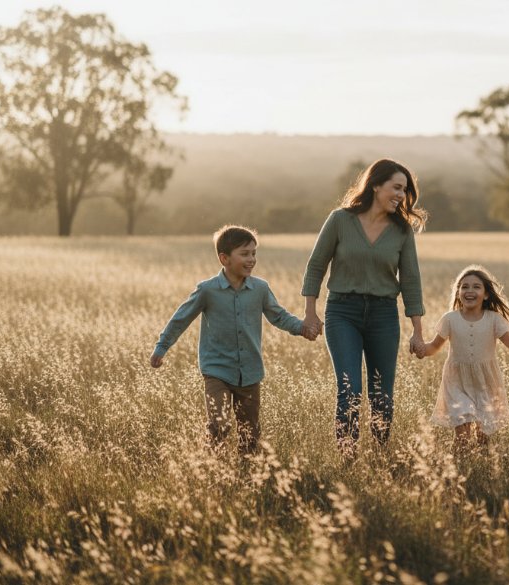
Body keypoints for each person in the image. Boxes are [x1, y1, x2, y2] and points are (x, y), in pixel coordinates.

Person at [150, 225, 316, 456]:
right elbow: (181, 318)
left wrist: (302, 328)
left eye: (254, 253)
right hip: (217, 370)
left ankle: (247, 474)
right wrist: (162, 347)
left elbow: (278, 316)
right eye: (245, 254)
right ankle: (212, 466)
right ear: (224, 258)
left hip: (249, 371)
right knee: (219, 425)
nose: (251, 259)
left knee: (250, 433)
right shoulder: (208, 290)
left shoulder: (260, 288)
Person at [301, 158, 428, 457]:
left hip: (384, 315)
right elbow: (316, 265)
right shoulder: (340, 220)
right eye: (396, 187)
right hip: (342, 312)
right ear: (375, 185)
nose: (401, 195)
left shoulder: (402, 231)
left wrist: (417, 332)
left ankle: (380, 457)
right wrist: (310, 311)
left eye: (405, 190)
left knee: (382, 394)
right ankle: (348, 458)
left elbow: (411, 280)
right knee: (350, 390)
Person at [421, 265, 509, 454]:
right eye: (464, 287)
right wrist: (421, 349)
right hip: (456, 382)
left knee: (482, 436)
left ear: (486, 294)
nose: (469, 291)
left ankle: (483, 468)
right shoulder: (450, 319)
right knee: (462, 432)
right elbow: (433, 347)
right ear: (458, 293)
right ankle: (457, 468)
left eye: (476, 287)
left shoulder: (494, 319)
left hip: (485, 383)